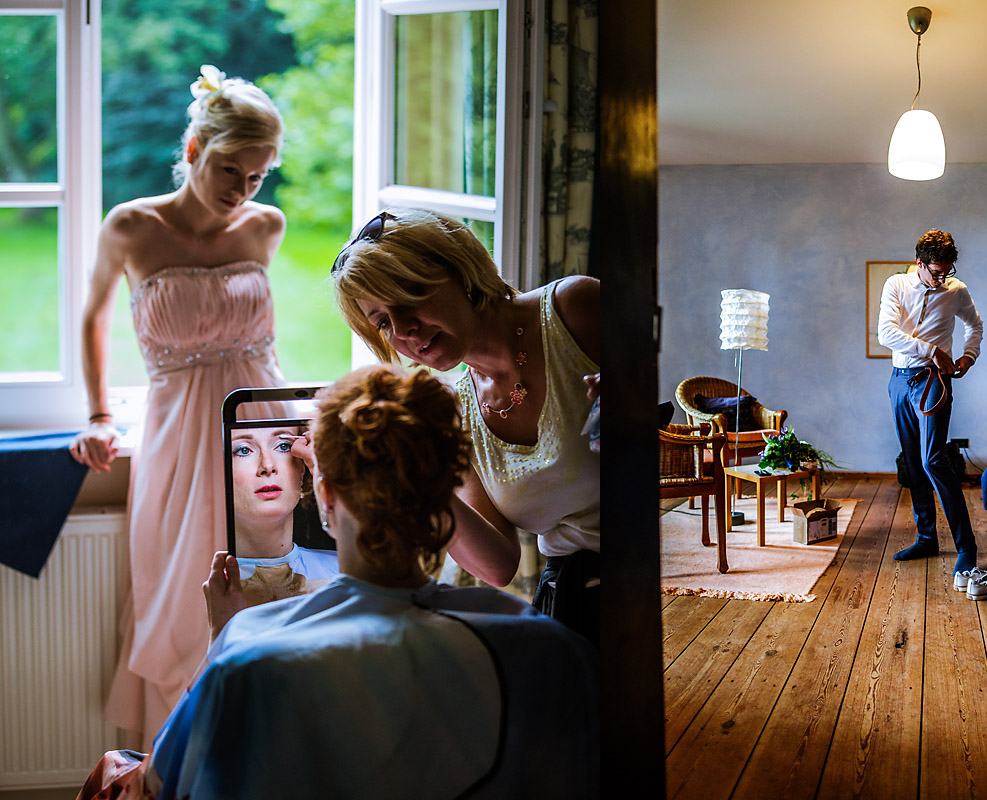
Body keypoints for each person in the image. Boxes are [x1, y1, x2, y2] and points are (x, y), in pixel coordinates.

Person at [76, 366, 599, 800]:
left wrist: (222, 636)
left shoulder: (245, 658)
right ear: (444, 495)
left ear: (323, 496)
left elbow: (159, 785)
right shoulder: (544, 644)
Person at [68, 64, 288, 746]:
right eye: (230, 170)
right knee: (179, 593)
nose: (242, 191)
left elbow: (254, 346)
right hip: (174, 434)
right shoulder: (131, 227)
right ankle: (178, 763)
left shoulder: (266, 229)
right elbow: (93, 319)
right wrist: (100, 414)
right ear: (194, 150)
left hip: (259, 428)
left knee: (268, 585)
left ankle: (261, 760)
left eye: (256, 177)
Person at [328, 208, 601, 642]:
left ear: (458, 268)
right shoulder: (455, 411)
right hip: (571, 601)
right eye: (382, 322)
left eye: (409, 295)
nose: (403, 331)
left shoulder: (575, 310)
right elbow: (498, 565)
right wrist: (422, 478)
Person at [877, 229, 982, 581]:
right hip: (898, 380)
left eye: (947, 271)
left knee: (933, 459)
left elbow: (975, 326)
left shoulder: (957, 290)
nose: (942, 279)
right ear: (919, 264)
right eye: (936, 271)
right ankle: (926, 538)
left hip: (934, 381)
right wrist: (933, 349)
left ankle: (967, 547)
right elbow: (886, 334)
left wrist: (968, 356)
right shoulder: (896, 285)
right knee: (911, 460)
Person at [229, 427, 339, 605]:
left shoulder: (346, 572)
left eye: (283, 446)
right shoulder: (194, 586)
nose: (268, 466)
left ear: (302, 469)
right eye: (243, 450)